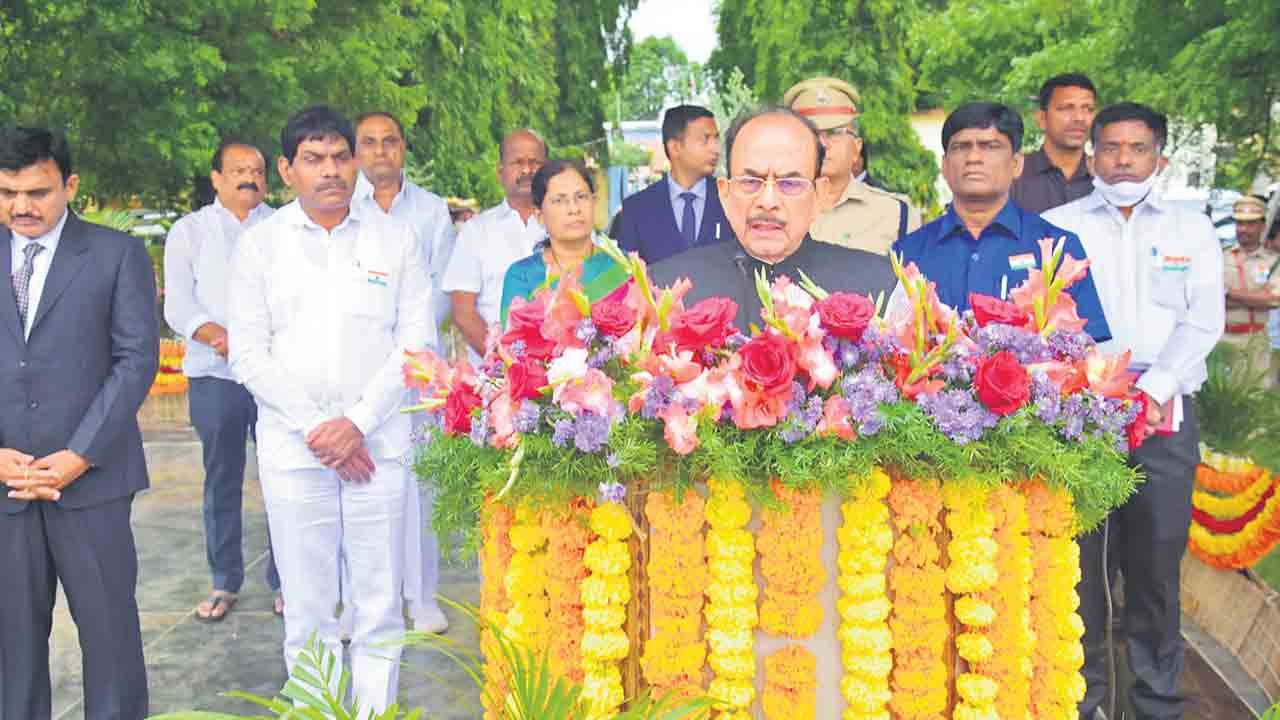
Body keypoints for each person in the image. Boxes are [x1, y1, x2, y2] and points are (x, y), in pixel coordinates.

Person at [227, 105, 432, 714]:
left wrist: (359, 423)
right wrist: (322, 429)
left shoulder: (394, 240)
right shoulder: (259, 247)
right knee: (309, 608)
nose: (332, 171)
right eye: (314, 159)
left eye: (342, 157)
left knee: (378, 604)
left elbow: (415, 343)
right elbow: (249, 354)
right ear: (286, 170)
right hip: (297, 452)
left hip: (377, 449)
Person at [1043, 102, 1225, 720]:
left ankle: (1157, 702)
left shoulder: (1190, 228)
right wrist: (1096, 387)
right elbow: (1045, 317)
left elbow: (1204, 321)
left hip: (1164, 420)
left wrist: (1151, 390)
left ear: (1160, 158)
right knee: (1079, 569)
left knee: (1154, 567)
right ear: (1090, 155)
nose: (1124, 159)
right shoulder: (1057, 224)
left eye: (1138, 148)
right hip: (1080, 421)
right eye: (1112, 147)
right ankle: (1084, 699)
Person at [0, 126, 159, 719]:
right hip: (7, 487)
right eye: (8, 191)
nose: (22, 206)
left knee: (110, 641)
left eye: (37, 191)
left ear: (70, 185)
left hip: (91, 485)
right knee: (10, 649)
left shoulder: (116, 255)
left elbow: (136, 360)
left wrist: (79, 455)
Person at [163, 138, 282, 622]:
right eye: (237, 169)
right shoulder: (189, 232)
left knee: (282, 474)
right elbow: (178, 306)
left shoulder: (282, 228)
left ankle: (288, 582)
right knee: (221, 478)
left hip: (275, 377)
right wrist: (224, 339)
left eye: (256, 170)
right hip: (215, 374)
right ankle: (224, 581)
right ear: (216, 178)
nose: (248, 177)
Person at [649, 106, 896, 329]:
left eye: (790, 183)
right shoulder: (665, 291)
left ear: (819, 195)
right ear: (724, 194)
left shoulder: (878, 289)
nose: (767, 201)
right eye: (750, 182)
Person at [892, 102, 1111, 342]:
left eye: (990, 146)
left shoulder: (1058, 249)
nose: (974, 157)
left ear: (1016, 164)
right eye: (961, 147)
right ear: (945, 166)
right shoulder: (908, 253)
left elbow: (1082, 349)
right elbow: (891, 345)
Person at [351, 111, 451, 633]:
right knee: (357, 484)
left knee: (419, 486)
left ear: (403, 148)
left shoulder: (431, 212)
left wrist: (404, 348)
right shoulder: (340, 210)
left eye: (389, 141)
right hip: (358, 374)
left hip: (416, 371)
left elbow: (439, 291)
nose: (380, 152)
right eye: (368, 143)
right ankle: (359, 601)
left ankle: (422, 597)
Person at [784, 76, 921, 255]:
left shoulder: (896, 213)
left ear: (856, 148)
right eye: (811, 132)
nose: (823, 144)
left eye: (835, 132)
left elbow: (914, 280)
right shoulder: (770, 210)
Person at [443, 129, 547, 361]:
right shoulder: (476, 232)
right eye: (518, 162)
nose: (527, 170)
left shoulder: (564, 226)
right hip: (494, 379)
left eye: (535, 162)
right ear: (501, 172)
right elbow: (463, 313)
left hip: (560, 377)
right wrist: (503, 363)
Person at [499, 159, 630, 324]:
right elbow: (514, 344)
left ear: (594, 203)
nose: (574, 208)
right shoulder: (522, 276)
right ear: (539, 215)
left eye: (581, 197)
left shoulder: (623, 267)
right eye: (559, 200)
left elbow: (645, 335)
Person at [615, 104, 728, 264]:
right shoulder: (636, 210)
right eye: (705, 139)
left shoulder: (731, 198)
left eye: (716, 139)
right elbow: (626, 278)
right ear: (675, 147)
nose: (716, 149)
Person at [1010, 73, 1098, 214]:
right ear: (1042, 118)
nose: (1079, 118)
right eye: (1067, 108)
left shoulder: (1104, 178)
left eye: (1088, 109)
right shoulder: (1014, 176)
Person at [1221, 195, 1280, 379]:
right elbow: (1213, 299)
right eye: (1239, 223)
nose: (1243, 229)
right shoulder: (1220, 257)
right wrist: (1256, 298)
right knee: (1220, 402)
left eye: (1250, 224)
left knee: (1256, 399)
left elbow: (1274, 299)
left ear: (1262, 225)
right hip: (1223, 340)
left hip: (1256, 341)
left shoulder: (1273, 261)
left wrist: (1230, 293)